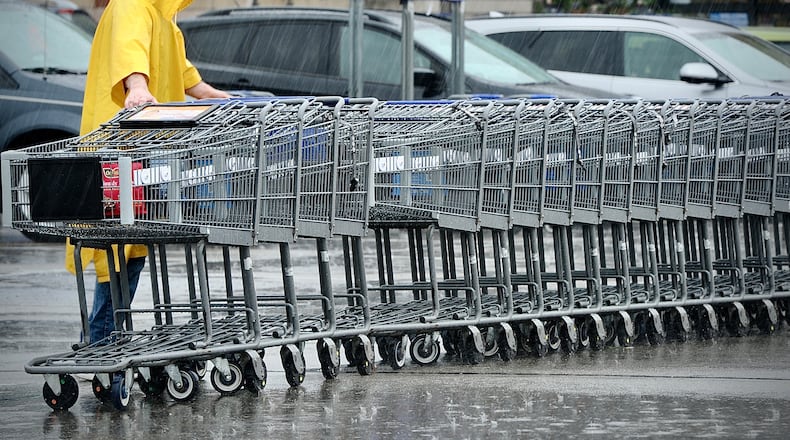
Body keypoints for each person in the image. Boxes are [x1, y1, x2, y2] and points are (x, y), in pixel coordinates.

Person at [65, 0, 231, 344]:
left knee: (128, 250)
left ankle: (100, 341)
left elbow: (175, 63)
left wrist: (205, 92)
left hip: (140, 148)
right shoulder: (132, 4)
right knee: (117, 251)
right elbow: (130, 48)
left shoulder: (161, 14)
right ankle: (99, 344)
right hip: (120, 148)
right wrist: (136, 84)